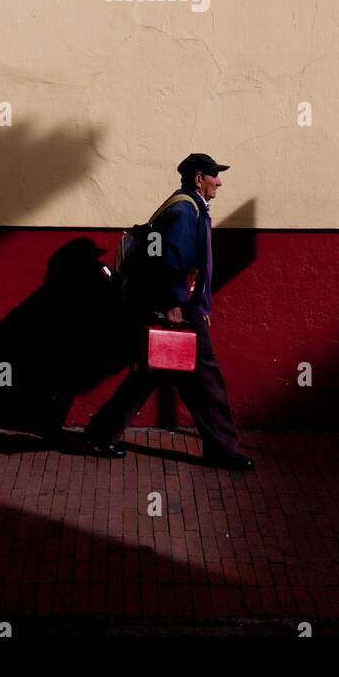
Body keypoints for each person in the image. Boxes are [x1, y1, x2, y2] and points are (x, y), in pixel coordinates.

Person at [83, 153, 254, 471]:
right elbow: (171, 260)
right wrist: (176, 305)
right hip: (177, 312)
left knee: (150, 374)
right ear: (198, 177)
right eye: (214, 175)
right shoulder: (183, 210)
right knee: (205, 380)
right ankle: (221, 448)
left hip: (178, 308)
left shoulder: (189, 206)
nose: (219, 181)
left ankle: (100, 435)